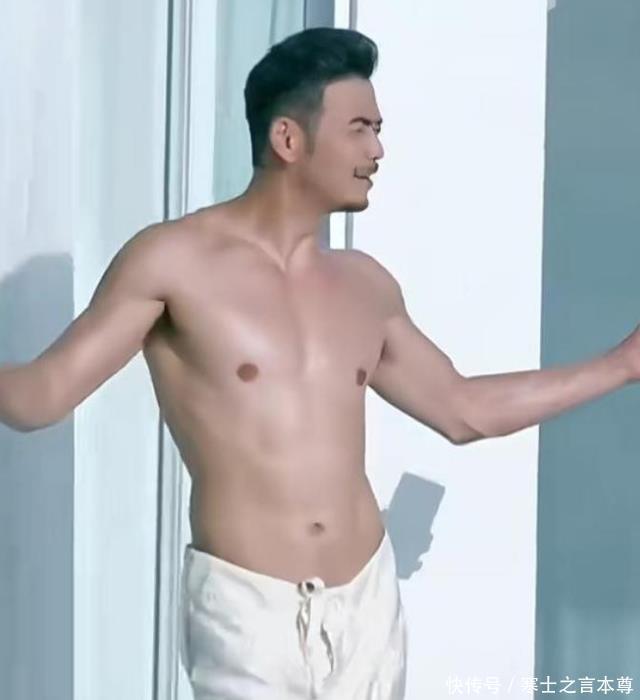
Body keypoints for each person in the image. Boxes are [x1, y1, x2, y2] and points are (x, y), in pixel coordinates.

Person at [1, 26, 638, 700]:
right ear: (287, 138)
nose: (377, 150)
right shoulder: (173, 262)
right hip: (248, 610)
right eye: (359, 129)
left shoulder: (365, 285)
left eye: (378, 130)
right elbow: (40, 397)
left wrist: (622, 365)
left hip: (367, 604)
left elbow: (464, 409)